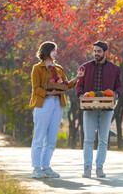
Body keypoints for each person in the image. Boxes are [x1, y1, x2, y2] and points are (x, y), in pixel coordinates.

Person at [30, 41, 84, 178]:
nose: (56, 53)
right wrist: (48, 93)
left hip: (57, 104)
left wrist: (77, 77)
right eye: (54, 50)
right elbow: (36, 88)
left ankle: (46, 167)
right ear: (46, 51)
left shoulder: (58, 69)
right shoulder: (37, 68)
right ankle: (36, 168)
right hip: (43, 103)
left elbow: (66, 85)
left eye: (56, 50)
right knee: (39, 136)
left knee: (52, 138)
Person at [76, 40, 123, 178]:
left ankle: (99, 167)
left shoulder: (115, 69)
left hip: (107, 108)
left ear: (105, 52)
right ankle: (87, 167)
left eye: (99, 51)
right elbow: (79, 86)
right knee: (88, 139)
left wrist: (116, 94)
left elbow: (119, 87)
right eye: (94, 51)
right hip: (89, 107)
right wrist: (80, 96)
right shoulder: (85, 67)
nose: (96, 54)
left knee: (103, 139)